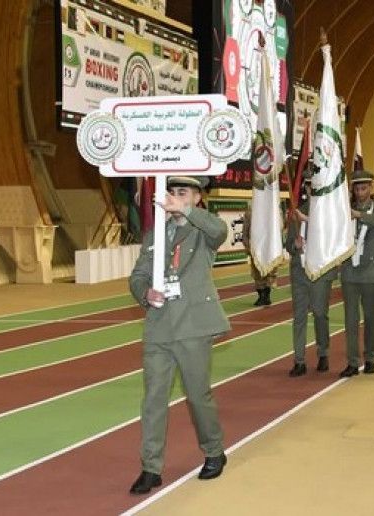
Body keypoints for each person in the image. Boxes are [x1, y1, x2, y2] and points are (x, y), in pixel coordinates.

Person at [128, 176, 229, 494]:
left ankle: (214, 451)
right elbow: (138, 275)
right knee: (153, 399)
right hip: (159, 326)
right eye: (170, 192)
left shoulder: (201, 231)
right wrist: (145, 293)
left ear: (197, 198)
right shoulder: (154, 234)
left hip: (192, 325)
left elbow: (220, 231)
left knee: (198, 395)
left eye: (182, 193)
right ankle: (151, 466)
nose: (173, 198)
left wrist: (186, 211)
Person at [339, 170, 374, 377]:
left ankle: (370, 358)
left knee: (370, 318)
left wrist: (360, 215)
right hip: (350, 272)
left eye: (364, 188)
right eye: (357, 189)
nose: (360, 193)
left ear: (371, 188)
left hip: (371, 273)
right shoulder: (344, 209)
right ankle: (352, 361)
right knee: (350, 320)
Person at [285, 179, 336, 377]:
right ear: (306, 188)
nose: (312, 189)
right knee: (299, 317)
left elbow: (332, 237)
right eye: (309, 186)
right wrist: (295, 246)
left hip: (321, 272)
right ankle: (299, 360)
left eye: (316, 185)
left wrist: (307, 219)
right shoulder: (296, 214)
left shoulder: (329, 212)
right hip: (299, 272)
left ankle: (323, 352)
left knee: (320, 314)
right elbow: (288, 244)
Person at [242, 207, 276, 306]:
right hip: (255, 248)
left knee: (269, 272)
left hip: (269, 247)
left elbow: (279, 228)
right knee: (257, 273)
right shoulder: (250, 212)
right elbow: (245, 231)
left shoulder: (273, 209)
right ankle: (261, 296)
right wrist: (248, 246)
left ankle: (267, 295)